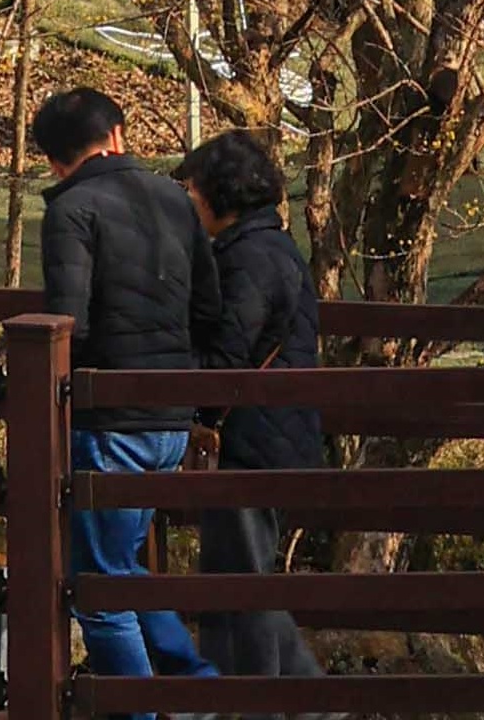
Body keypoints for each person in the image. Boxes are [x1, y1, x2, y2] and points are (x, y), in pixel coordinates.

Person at [38, 85, 221, 703]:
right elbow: (209, 308)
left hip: (111, 421)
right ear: (116, 135)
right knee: (123, 568)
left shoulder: (71, 212)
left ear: (54, 160)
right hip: (171, 413)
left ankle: (146, 710)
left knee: (99, 591)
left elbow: (67, 324)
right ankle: (194, 689)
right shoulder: (174, 199)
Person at [181, 127, 325, 686]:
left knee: (241, 583)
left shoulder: (251, 259)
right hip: (269, 434)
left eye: (194, 189)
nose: (189, 200)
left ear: (222, 193)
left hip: (253, 442)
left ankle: (254, 701)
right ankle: (305, 706)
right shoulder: (261, 248)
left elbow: (227, 360)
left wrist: (170, 370)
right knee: (238, 579)